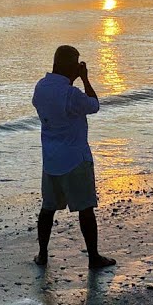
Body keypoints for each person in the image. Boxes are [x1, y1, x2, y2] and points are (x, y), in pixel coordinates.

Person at [32, 45, 116, 270]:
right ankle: (93, 257)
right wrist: (85, 80)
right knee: (85, 208)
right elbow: (94, 105)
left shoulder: (40, 87)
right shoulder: (71, 93)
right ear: (69, 66)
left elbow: (43, 107)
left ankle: (42, 254)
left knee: (48, 208)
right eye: (75, 64)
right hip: (75, 158)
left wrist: (72, 79)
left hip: (51, 158)